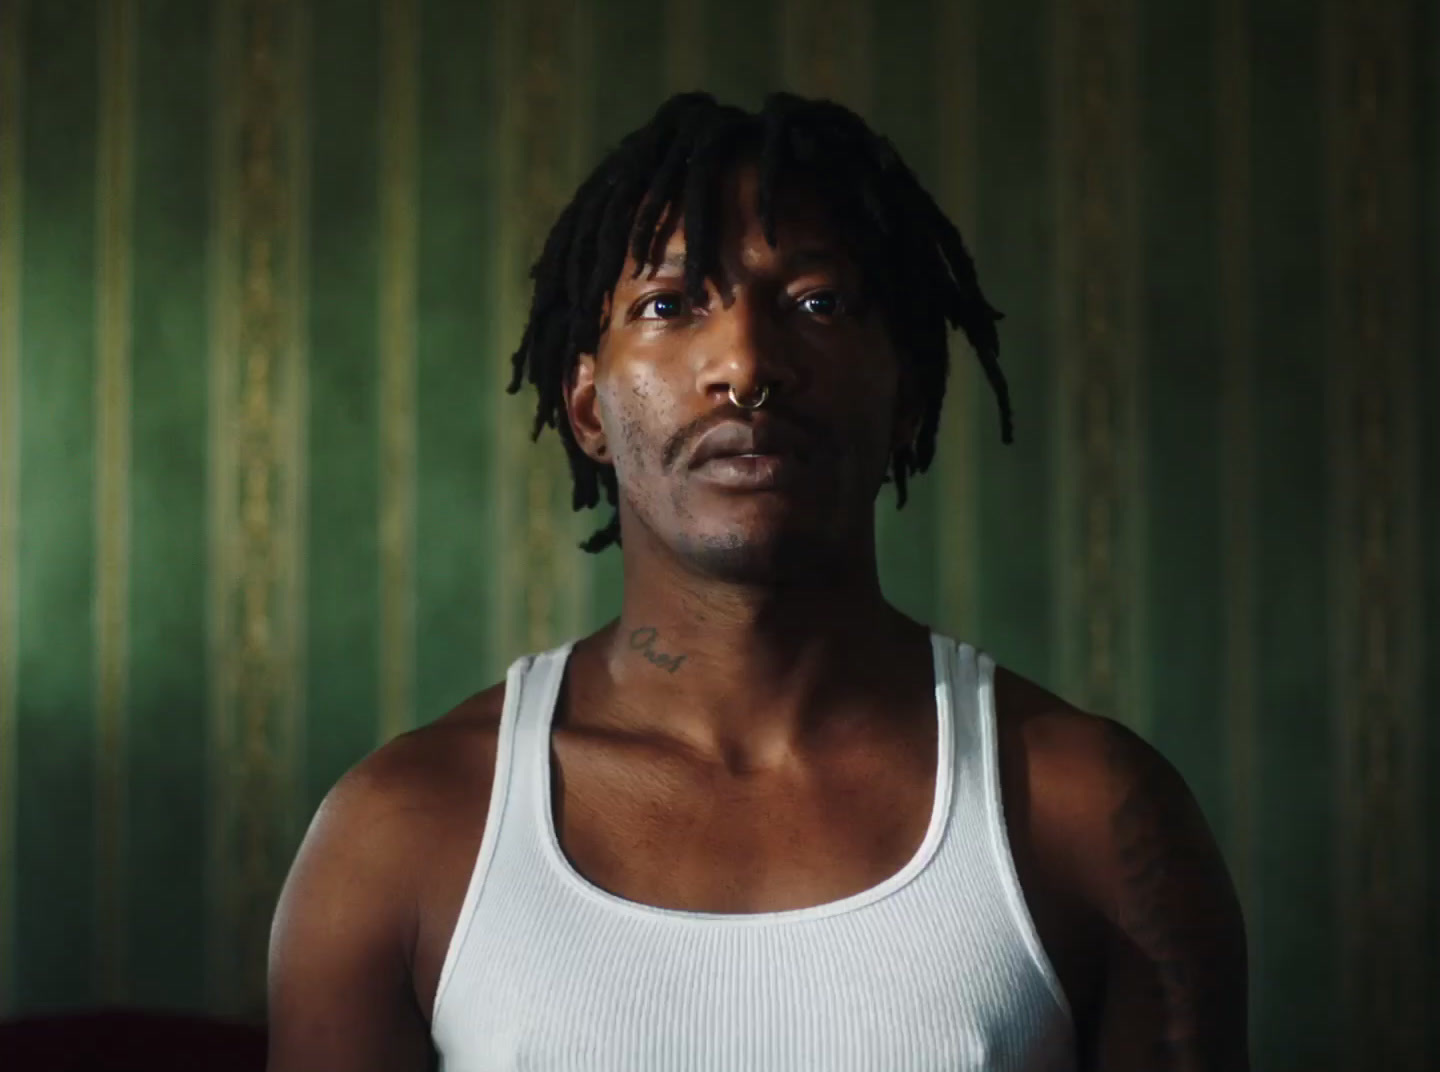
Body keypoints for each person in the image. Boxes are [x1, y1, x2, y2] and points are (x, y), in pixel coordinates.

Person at [266, 92, 1250, 1071]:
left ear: (906, 393)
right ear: (586, 407)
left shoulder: (1092, 813)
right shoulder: (402, 830)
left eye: (815, 303)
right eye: (667, 306)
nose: (744, 364)